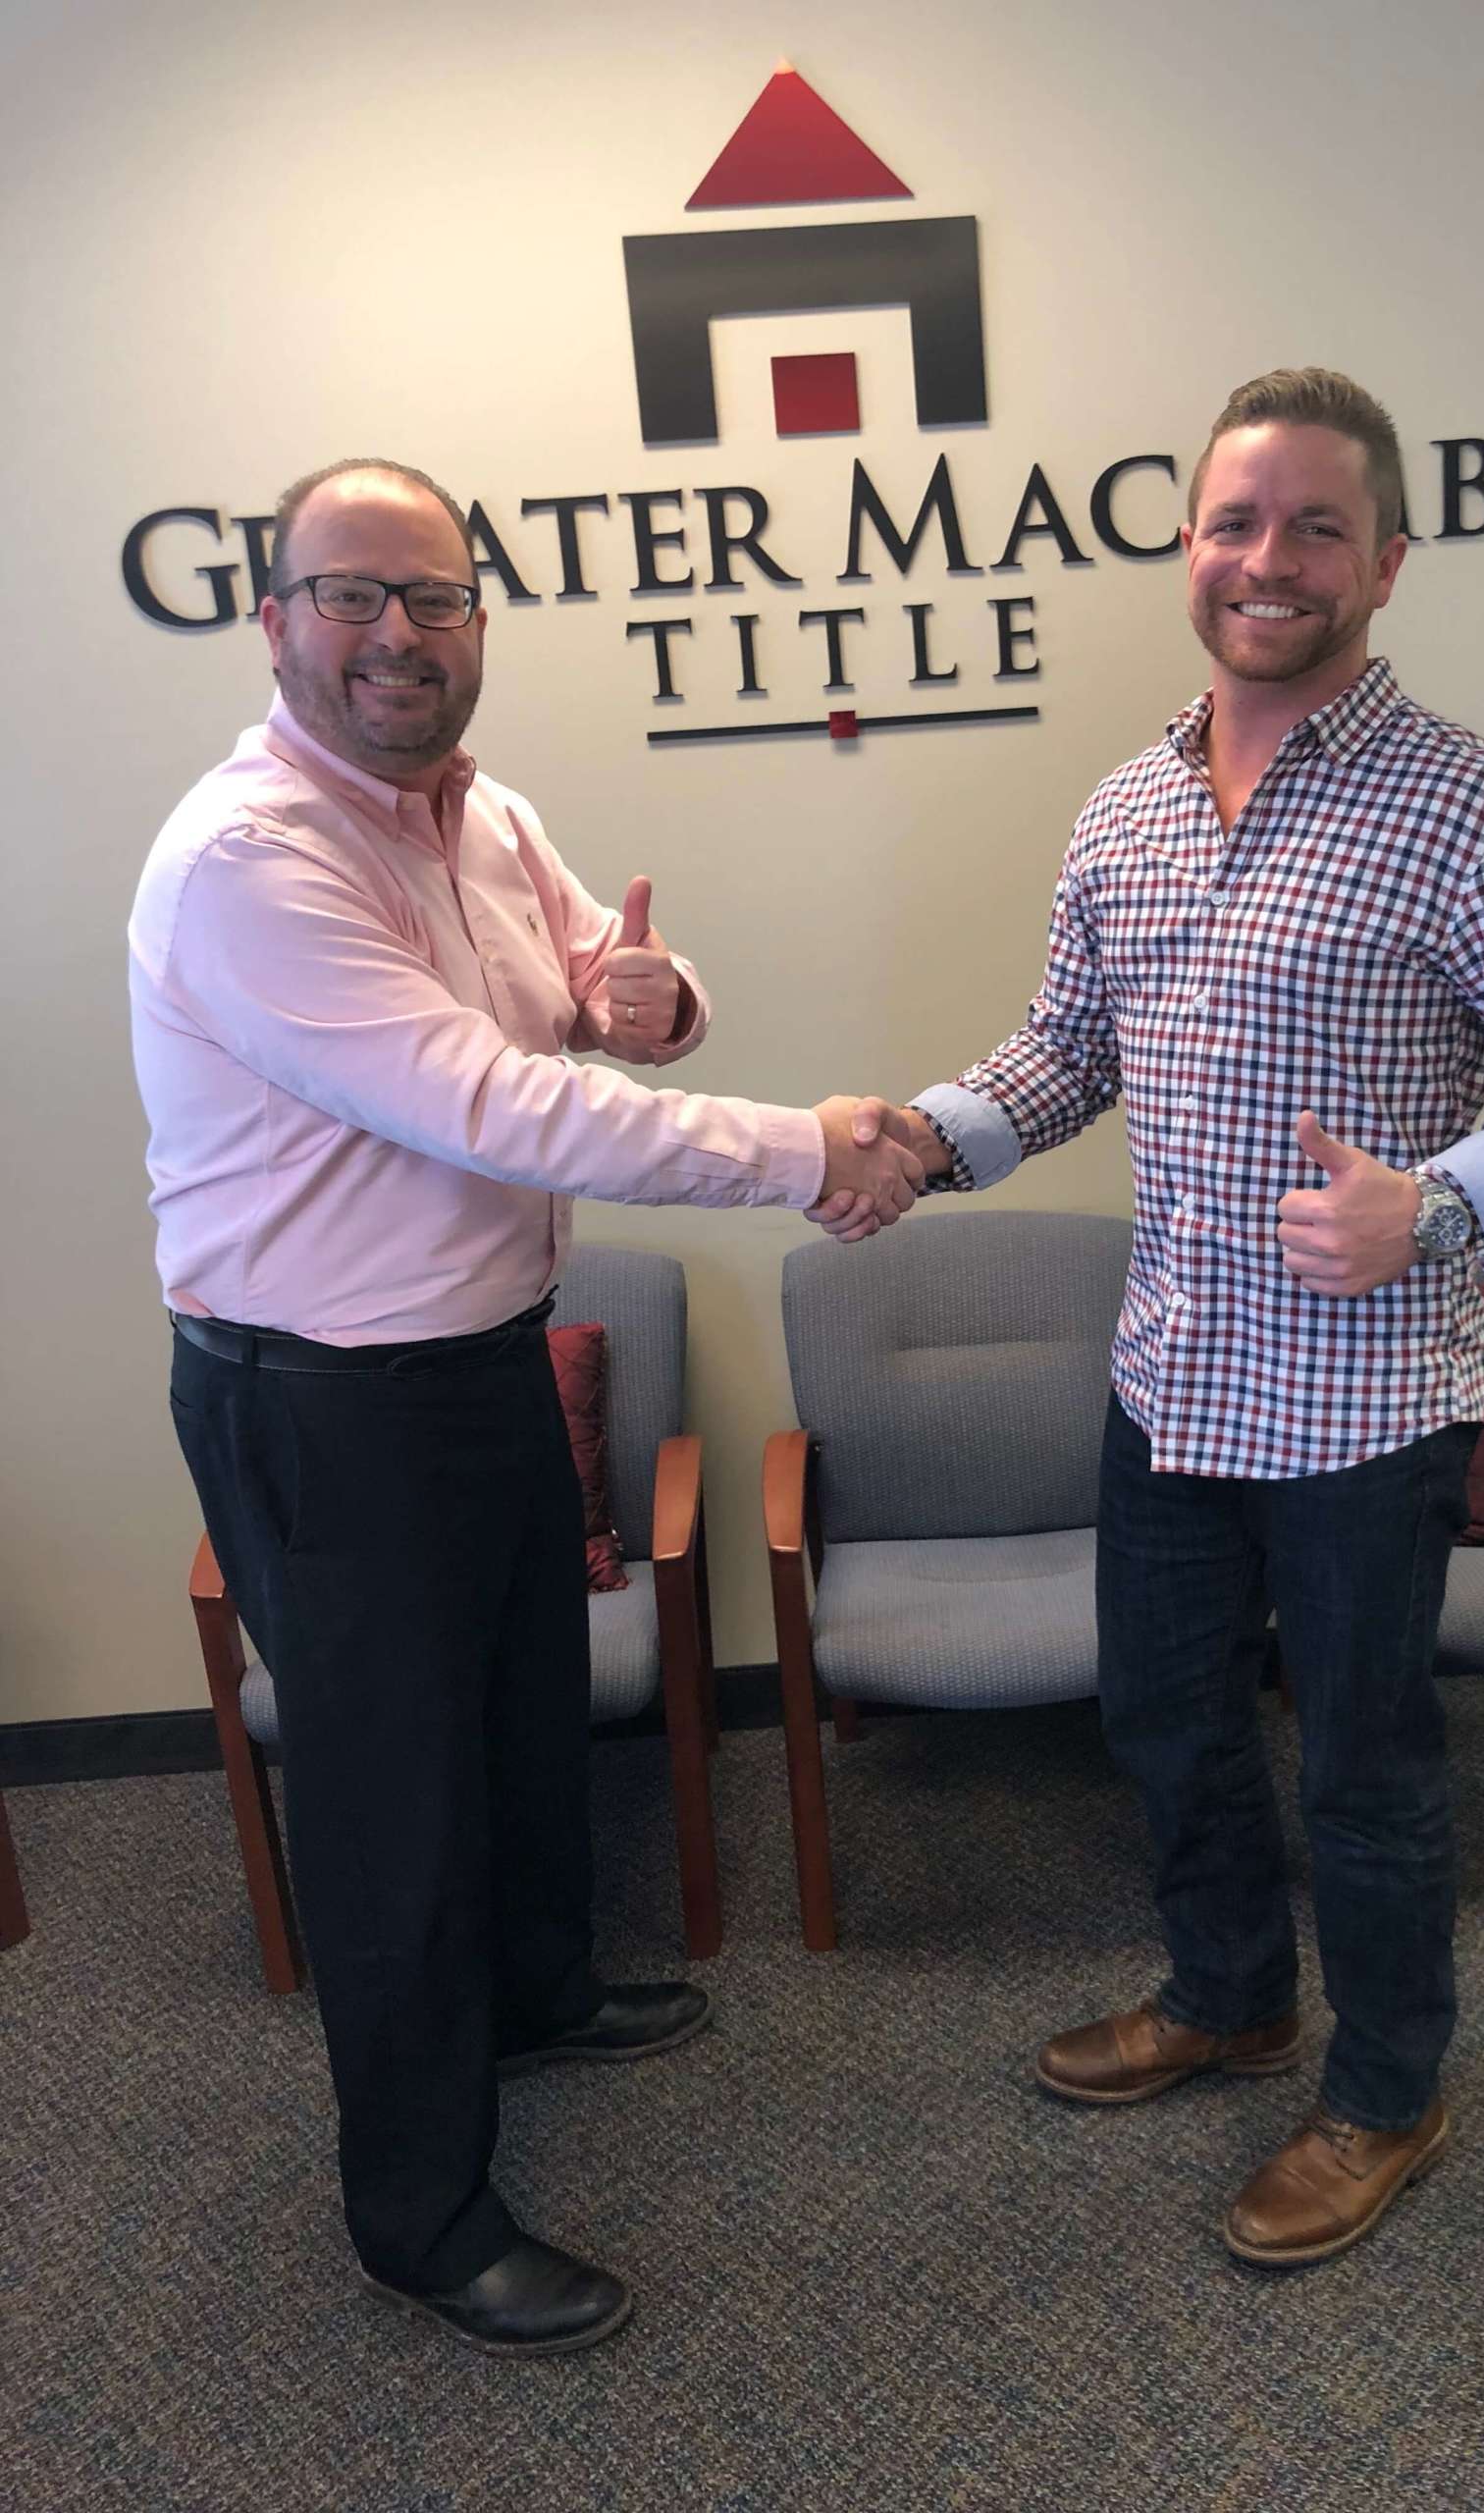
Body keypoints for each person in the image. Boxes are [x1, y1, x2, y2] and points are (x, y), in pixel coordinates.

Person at [814, 369, 1484, 2268]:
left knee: (1364, 1765)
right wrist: (919, 1147)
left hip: (1368, 1398)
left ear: (1387, 561)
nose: (1266, 561)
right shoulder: (1125, 801)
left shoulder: (1473, 802)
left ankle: (1384, 2094)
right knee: (1169, 1721)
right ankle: (1226, 1997)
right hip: (1172, 1366)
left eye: (1313, 527)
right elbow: (1070, 1046)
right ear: (1189, 543)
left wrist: (1437, 1203)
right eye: (1233, 523)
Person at [129, 457, 923, 2357]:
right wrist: (804, 1146)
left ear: (479, 620)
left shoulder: (482, 814)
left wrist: (654, 996)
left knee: (518, 1704)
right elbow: (489, 1100)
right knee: (391, 1806)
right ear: (276, 623)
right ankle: (420, 2212)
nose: (398, 634)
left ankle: (544, 1990)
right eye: (353, 595)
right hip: (322, 1406)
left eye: (433, 598)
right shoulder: (255, 863)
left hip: (484, 1351)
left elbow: (597, 992)